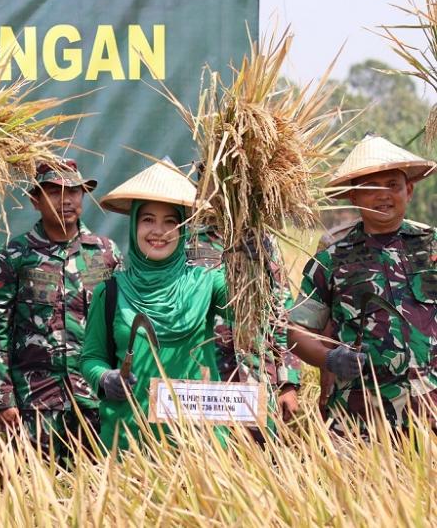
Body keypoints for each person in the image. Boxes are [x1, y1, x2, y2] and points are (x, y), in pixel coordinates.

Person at [289, 134, 437, 433]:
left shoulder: (432, 249)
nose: (383, 195)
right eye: (370, 187)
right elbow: (296, 330)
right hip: (359, 419)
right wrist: (329, 358)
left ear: (408, 191)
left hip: (431, 413)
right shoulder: (332, 259)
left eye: (392, 185)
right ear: (354, 195)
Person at [80, 159, 229, 451]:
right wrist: (105, 376)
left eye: (170, 222)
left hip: (201, 447)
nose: (158, 231)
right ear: (134, 224)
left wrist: (246, 240)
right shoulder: (109, 292)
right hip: (129, 443)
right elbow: (91, 358)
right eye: (147, 219)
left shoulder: (209, 283)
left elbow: (254, 311)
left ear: (183, 229)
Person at [0, 159, 122, 460]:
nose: (67, 200)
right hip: (35, 401)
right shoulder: (16, 255)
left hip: (94, 398)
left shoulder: (105, 253)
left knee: (100, 488)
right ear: (35, 200)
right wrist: (2, 398)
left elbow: (122, 325)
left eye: (75, 191)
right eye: (54, 192)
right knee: (34, 491)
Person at [188, 228, 301, 424]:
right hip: (203, 383)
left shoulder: (261, 238)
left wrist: (288, 382)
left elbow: (280, 312)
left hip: (258, 378)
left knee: (260, 450)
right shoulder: (186, 238)